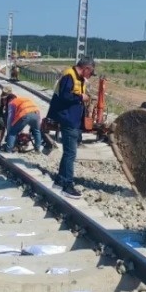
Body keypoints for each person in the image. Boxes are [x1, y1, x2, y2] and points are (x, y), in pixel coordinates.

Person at [46, 56, 95, 199]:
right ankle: (67, 185)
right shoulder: (69, 75)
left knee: (68, 152)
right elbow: (65, 96)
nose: (90, 76)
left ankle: (60, 181)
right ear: (86, 68)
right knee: (70, 153)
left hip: (72, 119)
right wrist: (81, 98)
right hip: (68, 119)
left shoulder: (76, 77)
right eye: (90, 72)